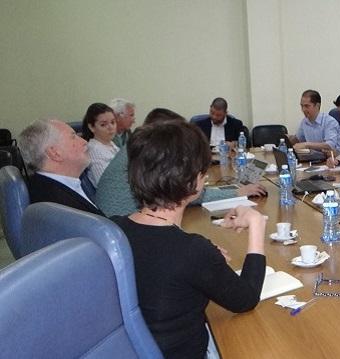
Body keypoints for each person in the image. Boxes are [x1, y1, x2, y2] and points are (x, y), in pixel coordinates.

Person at [112, 120, 267, 357]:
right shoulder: (192, 251)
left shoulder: (113, 229)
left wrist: (204, 258)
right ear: (192, 180)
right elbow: (245, 299)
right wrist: (256, 224)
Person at [95, 108, 266, 217]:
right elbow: (183, 191)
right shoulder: (151, 154)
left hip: (122, 225)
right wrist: (238, 192)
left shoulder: (136, 148)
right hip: (127, 231)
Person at [18, 118, 104, 216]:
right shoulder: (57, 206)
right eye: (73, 137)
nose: (84, 141)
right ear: (54, 153)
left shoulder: (57, 184)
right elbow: (100, 228)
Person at [288, 89, 340, 161]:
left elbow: (329, 145)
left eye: (307, 106)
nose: (303, 109)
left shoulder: (329, 122)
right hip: (313, 160)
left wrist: (307, 144)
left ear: (317, 105)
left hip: (332, 160)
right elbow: (297, 139)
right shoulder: (305, 122)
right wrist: (286, 139)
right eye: (302, 106)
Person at [82, 103, 119, 187]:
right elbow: (106, 186)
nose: (110, 127)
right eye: (103, 124)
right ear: (92, 127)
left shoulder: (111, 144)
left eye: (113, 122)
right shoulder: (94, 151)